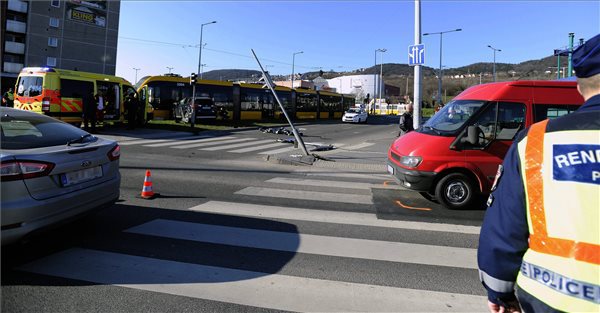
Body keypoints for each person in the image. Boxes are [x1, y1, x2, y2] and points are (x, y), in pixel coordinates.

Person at [477, 34, 600, 313]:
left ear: (579, 88)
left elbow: (505, 228)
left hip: (549, 299)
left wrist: (499, 292)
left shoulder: (536, 140)